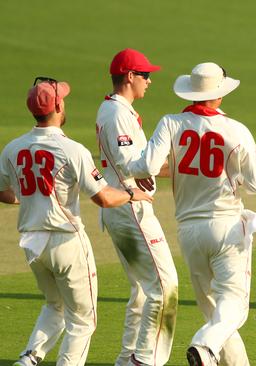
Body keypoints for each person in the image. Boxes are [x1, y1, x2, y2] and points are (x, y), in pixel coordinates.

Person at [1, 78, 152, 366]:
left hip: (32, 243)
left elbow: (2, 191)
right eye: (63, 99)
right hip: (65, 240)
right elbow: (104, 198)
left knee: (55, 305)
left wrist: (30, 198)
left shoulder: (13, 148)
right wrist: (132, 193)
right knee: (83, 321)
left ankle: (29, 358)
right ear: (57, 106)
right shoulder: (72, 150)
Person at [125, 62, 256, 366]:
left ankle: (219, 356)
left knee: (215, 311)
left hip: (189, 230)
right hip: (227, 226)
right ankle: (203, 346)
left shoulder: (170, 123)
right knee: (234, 309)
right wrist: (236, 174)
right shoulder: (235, 129)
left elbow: (145, 167)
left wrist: (140, 172)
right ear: (220, 93)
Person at [95, 48, 179, 365]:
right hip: (129, 208)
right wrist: (162, 145)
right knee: (165, 287)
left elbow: (144, 164)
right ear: (129, 77)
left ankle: (127, 357)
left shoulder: (118, 111)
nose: (149, 81)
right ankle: (144, 359)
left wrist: (186, 164)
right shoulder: (116, 114)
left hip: (122, 208)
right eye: (145, 75)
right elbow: (131, 165)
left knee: (142, 291)